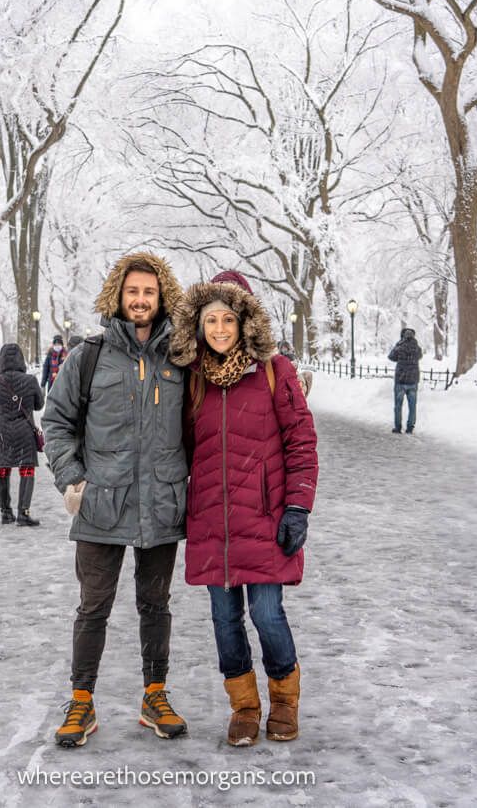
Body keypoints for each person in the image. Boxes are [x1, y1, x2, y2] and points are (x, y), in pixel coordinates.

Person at [42, 252, 189, 747]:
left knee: (156, 604)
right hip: (101, 504)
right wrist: (71, 477)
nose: (141, 300)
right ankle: (81, 700)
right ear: (119, 296)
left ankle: (155, 694)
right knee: (93, 607)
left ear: (161, 296)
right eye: (133, 292)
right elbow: (57, 421)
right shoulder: (91, 354)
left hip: (162, 505)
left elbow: (227, 397)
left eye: (149, 292)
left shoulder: (181, 357)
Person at [170, 270, 319, 747]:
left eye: (227, 319)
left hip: (266, 517)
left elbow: (301, 441)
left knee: (267, 613)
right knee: (223, 618)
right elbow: (179, 447)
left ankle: (285, 702)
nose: (218, 329)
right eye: (210, 319)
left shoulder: (275, 372)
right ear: (198, 324)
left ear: (245, 322)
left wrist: (297, 506)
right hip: (213, 519)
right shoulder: (193, 381)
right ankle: (244, 708)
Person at [0, 343, 45, 527]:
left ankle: (6, 512)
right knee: (26, 467)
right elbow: (38, 405)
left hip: (1, 428)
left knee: (2, 468)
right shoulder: (30, 380)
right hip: (24, 428)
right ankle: (23, 513)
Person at [388, 327, 422, 433]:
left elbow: (391, 357)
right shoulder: (417, 348)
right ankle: (410, 427)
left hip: (401, 380)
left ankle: (398, 427)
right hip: (413, 380)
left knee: (398, 406)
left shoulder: (400, 347)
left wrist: (398, 344)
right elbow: (420, 356)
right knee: (412, 406)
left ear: (402, 336)